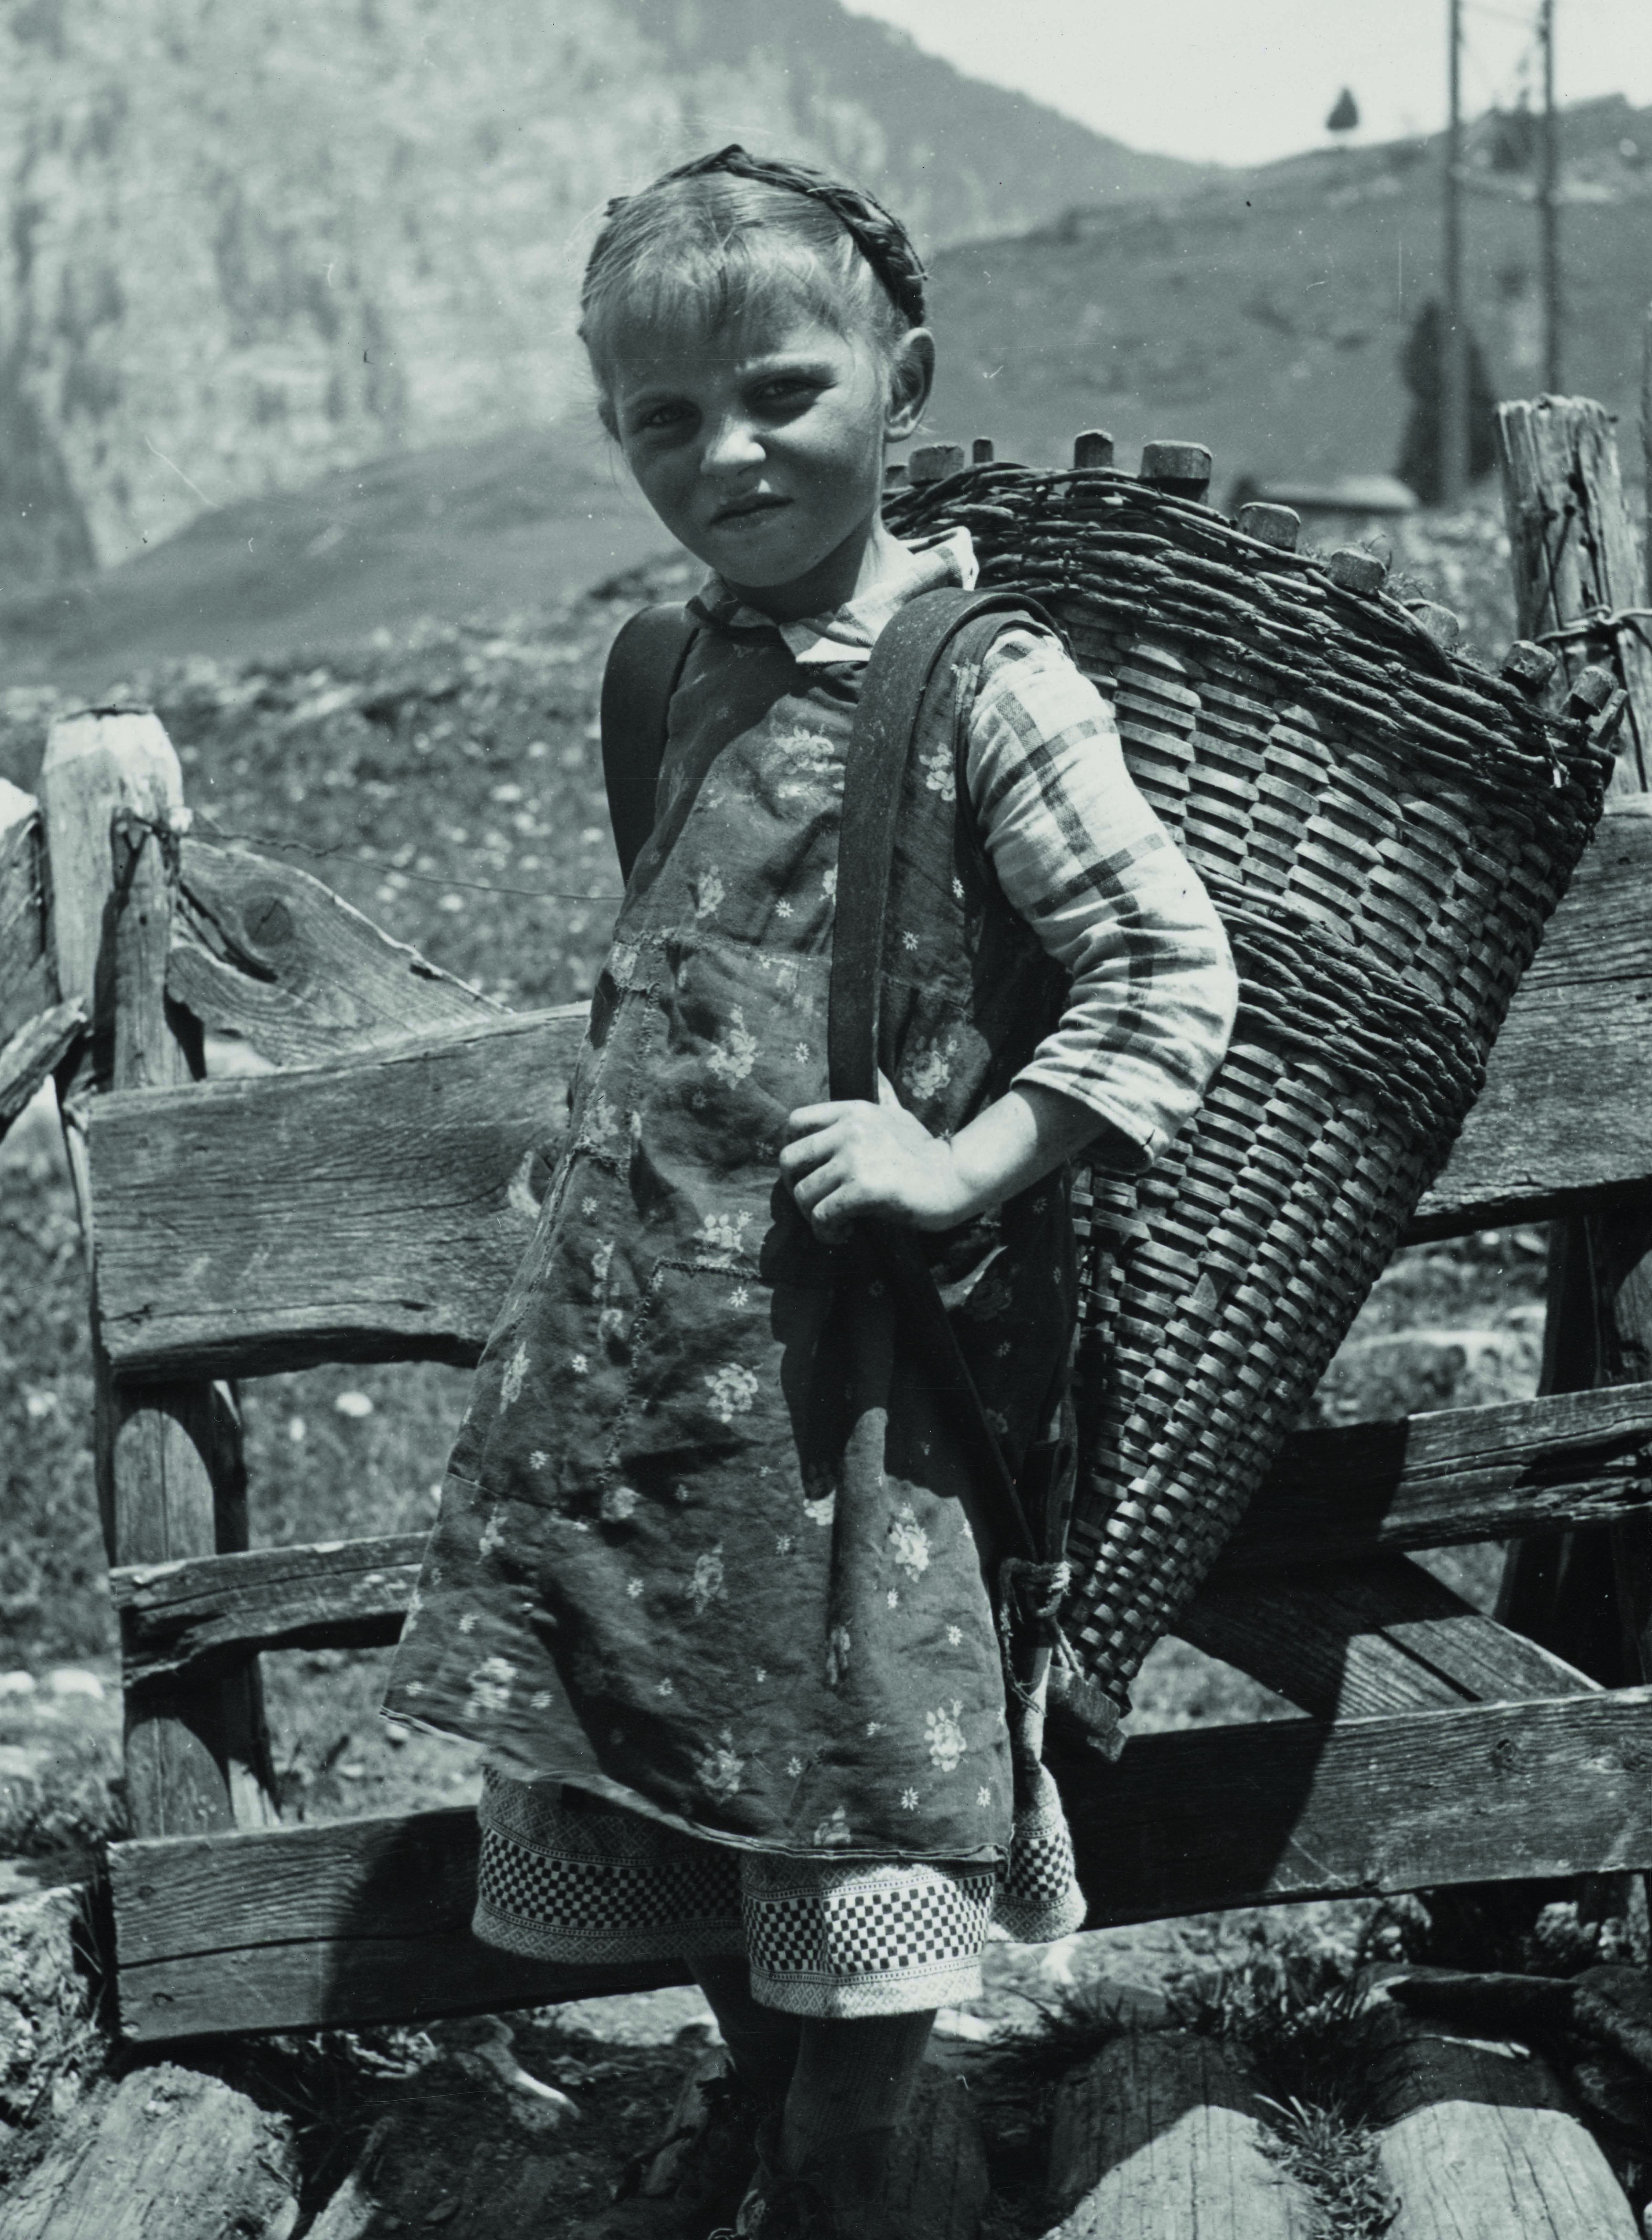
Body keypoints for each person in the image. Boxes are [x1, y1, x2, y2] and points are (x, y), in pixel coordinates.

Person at [383, 145, 1237, 2237]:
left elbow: (1167, 969)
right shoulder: (674, 668)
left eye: (783, 393)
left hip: (855, 1398)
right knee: (674, 1773)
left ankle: (846, 2171)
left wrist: (964, 1157)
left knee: (860, 1818)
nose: (728, 454)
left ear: (901, 381)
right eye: (666, 418)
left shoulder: (979, 683)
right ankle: (778, 2145)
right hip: (652, 1398)